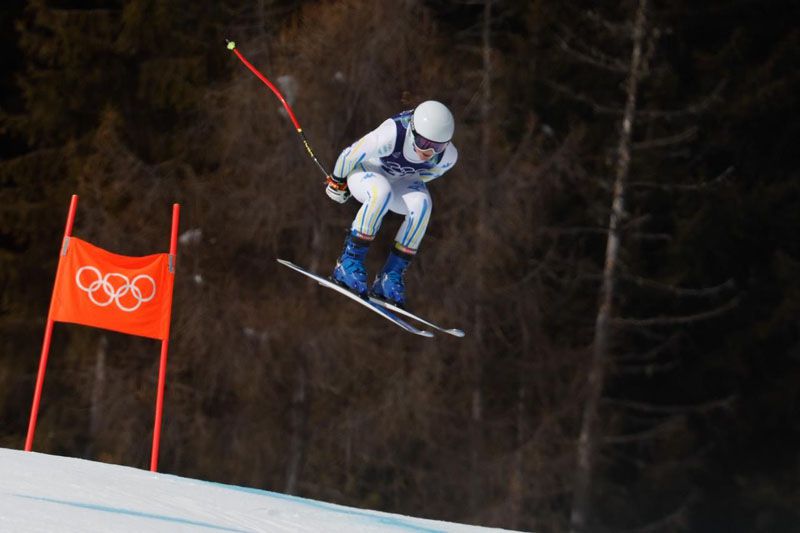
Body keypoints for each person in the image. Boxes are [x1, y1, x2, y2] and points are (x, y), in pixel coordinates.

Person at [324, 100, 458, 308]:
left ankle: (389, 278)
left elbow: (426, 176)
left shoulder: (447, 158)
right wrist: (337, 182)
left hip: (400, 180)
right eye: (423, 143)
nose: (428, 152)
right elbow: (349, 154)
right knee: (381, 194)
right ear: (413, 131)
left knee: (423, 205)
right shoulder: (392, 135)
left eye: (437, 147)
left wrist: (407, 180)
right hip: (368, 170)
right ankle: (348, 263)